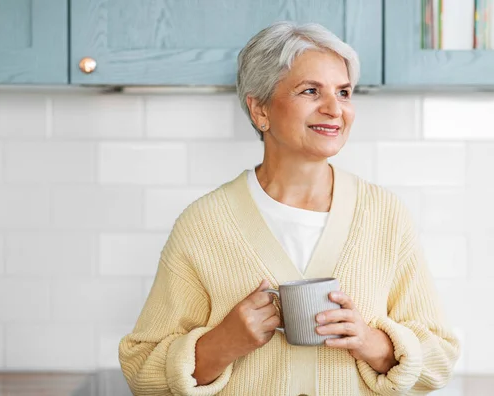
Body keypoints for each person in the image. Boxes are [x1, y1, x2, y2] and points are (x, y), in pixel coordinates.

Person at [119, 21, 460, 396]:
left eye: (344, 92)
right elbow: (141, 370)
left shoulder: (384, 215)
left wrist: (371, 342)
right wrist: (222, 343)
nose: (335, 109)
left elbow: (439, 358)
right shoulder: (205, 223)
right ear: (259, 109)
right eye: (311, 91)